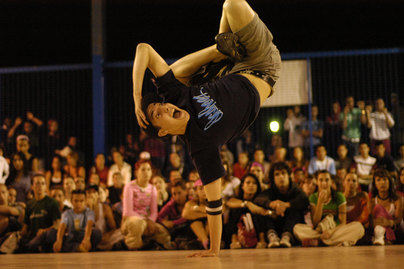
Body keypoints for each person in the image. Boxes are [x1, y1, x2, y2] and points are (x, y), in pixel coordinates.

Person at [133, 0, 281, 256]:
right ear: (163, 132)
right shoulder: (200, 146)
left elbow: (143, 49)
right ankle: (220, 49)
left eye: (161, 105)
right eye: (159, 114)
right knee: (232, 4)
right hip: (263, 66)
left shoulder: (177, 97)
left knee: (226, 7)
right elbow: (214, 204)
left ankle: (222, 50)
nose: (166, 108)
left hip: (238, 65)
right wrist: (213, 250)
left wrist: (137, 98)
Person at [293, 170, 364, 247]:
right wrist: (320, 203)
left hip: (335, 230)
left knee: (359, 227)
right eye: (321, 180)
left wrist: (330, 232)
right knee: (297, 228)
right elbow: (315, 223)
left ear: (331, 182)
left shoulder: (339, 196)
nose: (324, 183)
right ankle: (334, 242)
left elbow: (343, 223)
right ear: (317, 182)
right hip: (319, 231)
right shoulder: (313, 197)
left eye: (327, 180)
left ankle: (321, 242)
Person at [254, 162, 309, 248]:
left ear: (289, 176)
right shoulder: (271, 190)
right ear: (273, 178)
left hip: (291, 228)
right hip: (275, 225)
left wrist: (286, 205)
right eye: (277, 174)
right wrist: (272, 204)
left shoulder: (295, 189)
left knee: (295, 210)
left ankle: (287, 237)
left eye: (283, 173)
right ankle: (272, 236)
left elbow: (304, 200)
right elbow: (258, 199)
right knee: (265, 211)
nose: (281, 177)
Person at [121, 160, 172, 250]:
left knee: (162, 232)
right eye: (143, 170)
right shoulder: (129, 186)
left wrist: (150, 221)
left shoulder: (152, 188)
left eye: (148, 169)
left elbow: (154, 212)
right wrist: (145, 221)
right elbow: (128, 211)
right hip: (131, 219)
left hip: (147, 221)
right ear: (136, 172)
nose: (146, 172)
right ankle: (134, 249)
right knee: (138, 224)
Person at [20, 174, 60, 252]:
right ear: (32, 186)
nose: (40, 186)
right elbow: (26, 226)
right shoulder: (29, 204)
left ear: (45, 186)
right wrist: (19, 233)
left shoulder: (52, 202)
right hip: (32, 237)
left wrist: (45, 230)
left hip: (46, 237)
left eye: (43, 183)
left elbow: (57, 225)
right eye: (37, 183)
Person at [226, 174, 267, 249]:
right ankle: (234, 241)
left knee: (259, 210)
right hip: (239, 233)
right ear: (242, 186)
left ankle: (262, 240)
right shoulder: (237, 199)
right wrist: (247, 204)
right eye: (248, 183)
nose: (251, 185)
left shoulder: (261, 200)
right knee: (234, 210)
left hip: (256, 234)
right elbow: (229, 202)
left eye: (254, 183)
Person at [370, 169, 402, 245]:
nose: (382, 183)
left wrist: (389, 222)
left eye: (385, 179)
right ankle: (380, 238)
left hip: (394, 229)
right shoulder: (372, 201)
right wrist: (376, 222)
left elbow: (399, 220)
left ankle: (382, 238)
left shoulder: (397, 199)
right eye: (378, 180)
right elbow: (370, 220)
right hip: (377, 227)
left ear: (389, 182)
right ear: (375, 184)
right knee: (378, 208)